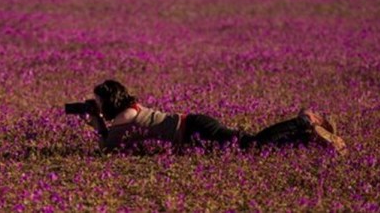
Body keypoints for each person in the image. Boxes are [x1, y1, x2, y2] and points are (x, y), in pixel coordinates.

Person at [81, 80, 347, 155]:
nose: (96, 104)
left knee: (251, 145)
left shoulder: (122, 118)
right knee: (251, 149)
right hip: (195, 125)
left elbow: (106, 148)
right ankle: (308, 139)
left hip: (196, 130)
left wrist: (96, 124)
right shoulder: (132, 108)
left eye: (98, 100)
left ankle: (304, 120)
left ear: (108, 101)